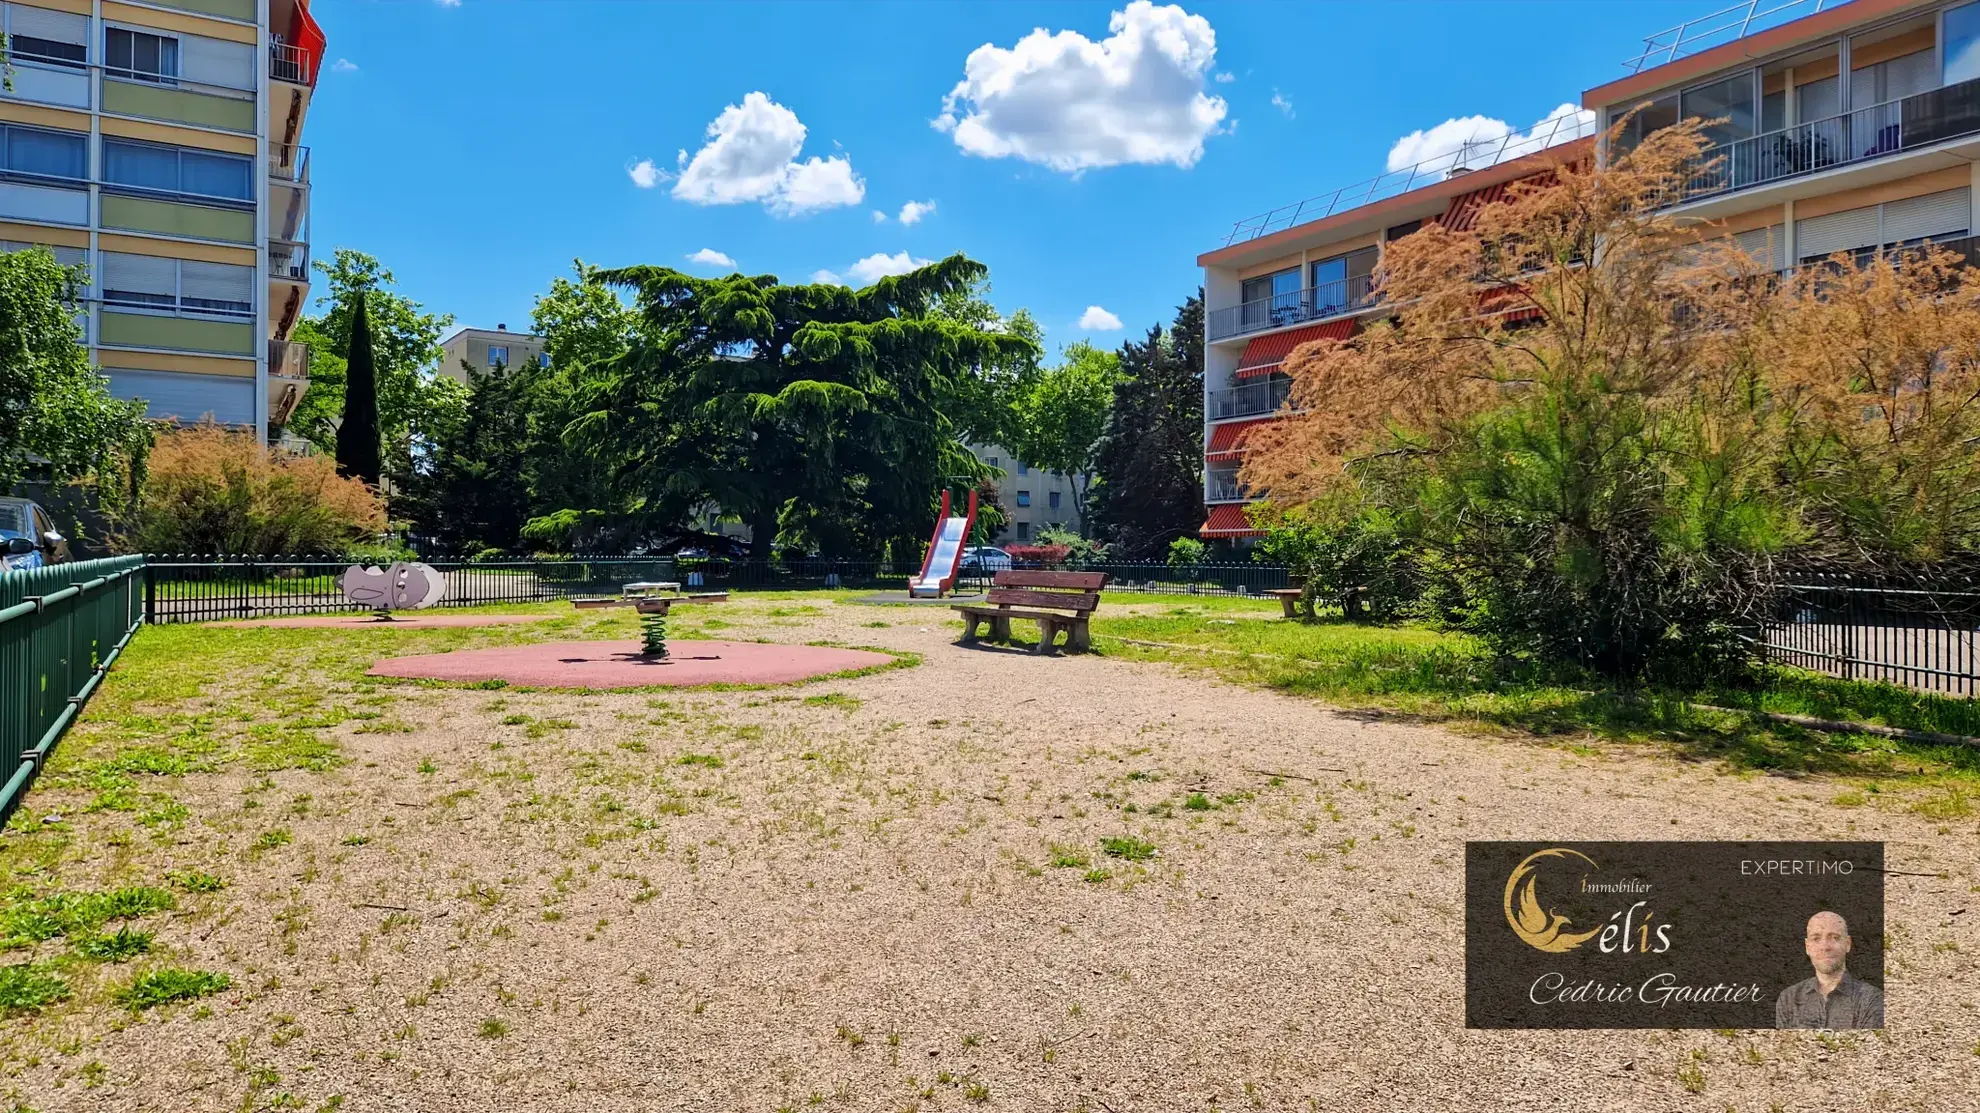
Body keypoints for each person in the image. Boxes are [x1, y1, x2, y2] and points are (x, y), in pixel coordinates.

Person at [1775, 911, 1884, 1029]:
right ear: (1807, 947)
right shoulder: (1788, 998)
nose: (1825, 947)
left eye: (1834, 938)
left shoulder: (1872, 999)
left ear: (1848, 944)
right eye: (1816, 938)